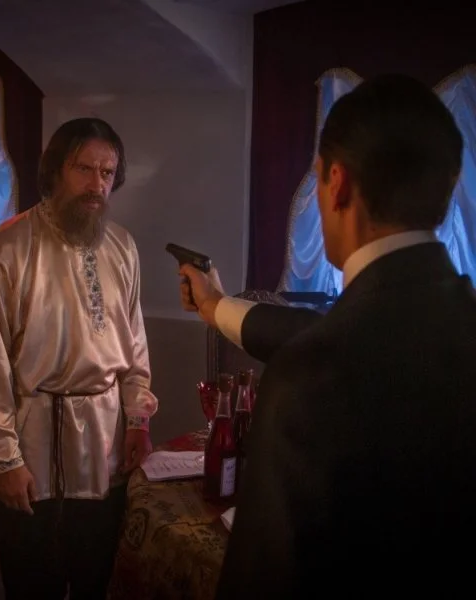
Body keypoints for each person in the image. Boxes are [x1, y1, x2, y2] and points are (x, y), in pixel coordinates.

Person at [180, 73, 476, 599]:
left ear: (337, 182)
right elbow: (343, 332)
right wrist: (214, 305)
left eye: (317, 179)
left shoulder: (311, 377)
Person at [0, 117, 157, 599]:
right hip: (32, 455)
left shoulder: (122, 246)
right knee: (32, 583)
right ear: (54, 170)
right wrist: (4, 460)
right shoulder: (6, 248)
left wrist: (137, 420)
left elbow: (134, 343)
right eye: (83, 168)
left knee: (95, 579)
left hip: (105, 453)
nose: (96, 185)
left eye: (106, 173)